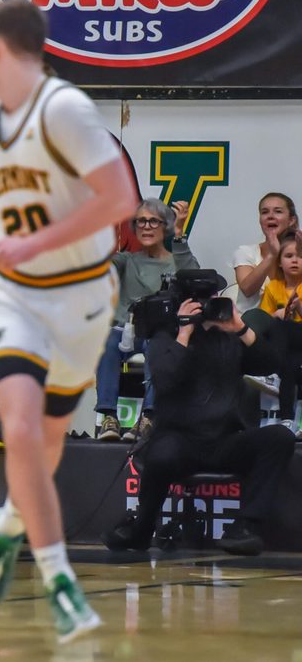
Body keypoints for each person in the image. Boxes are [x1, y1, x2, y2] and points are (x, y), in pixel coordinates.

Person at [0, 0, 138, 641]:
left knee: (45, 445)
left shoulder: (66, 110)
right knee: (18, 427)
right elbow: (4, 210)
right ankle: (59, 581)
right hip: (12, 294)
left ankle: (9, 529)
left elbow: (119, 202)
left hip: (79, 297)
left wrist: (35, 242)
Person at [103, 295, 295, 557]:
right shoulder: (165, 336)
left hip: (224, 439)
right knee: (162, 453)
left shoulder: (229, 338)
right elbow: (166, 377)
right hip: (179, 439)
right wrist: (184, 331)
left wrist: (239, 327)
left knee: (280, 437)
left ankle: (245, 527)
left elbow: (271, 364)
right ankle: (142, 527)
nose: (205, 309)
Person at [95, 199, 198, 442]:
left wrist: (180, 234)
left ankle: (149, 418)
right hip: (125, 330)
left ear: (166, 226)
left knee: (158, 345)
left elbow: (193, 277)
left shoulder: (177, 261)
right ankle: (109, 417)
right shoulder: (126, 260)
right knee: (105, 342)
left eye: (153, 221)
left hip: (159, 332)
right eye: (141, 221)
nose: (146, 226)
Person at [241, 230, 302, 433]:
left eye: (300, 256)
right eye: (289, 256)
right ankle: (286, 420)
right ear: (279, 262)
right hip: (289, 347)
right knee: (290, 366)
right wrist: (278, 313)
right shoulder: (274, 286)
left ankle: (272, 373)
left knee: (283, 327)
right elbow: (265, 319)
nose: (295, 260)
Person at [232, 193, 296, 312]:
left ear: (291, 220)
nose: (270, 216)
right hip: (250, 325)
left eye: (278, 211)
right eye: (265, 212)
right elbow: (247, 289)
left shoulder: (298, 256)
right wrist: (272, 255)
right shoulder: (245, 252)